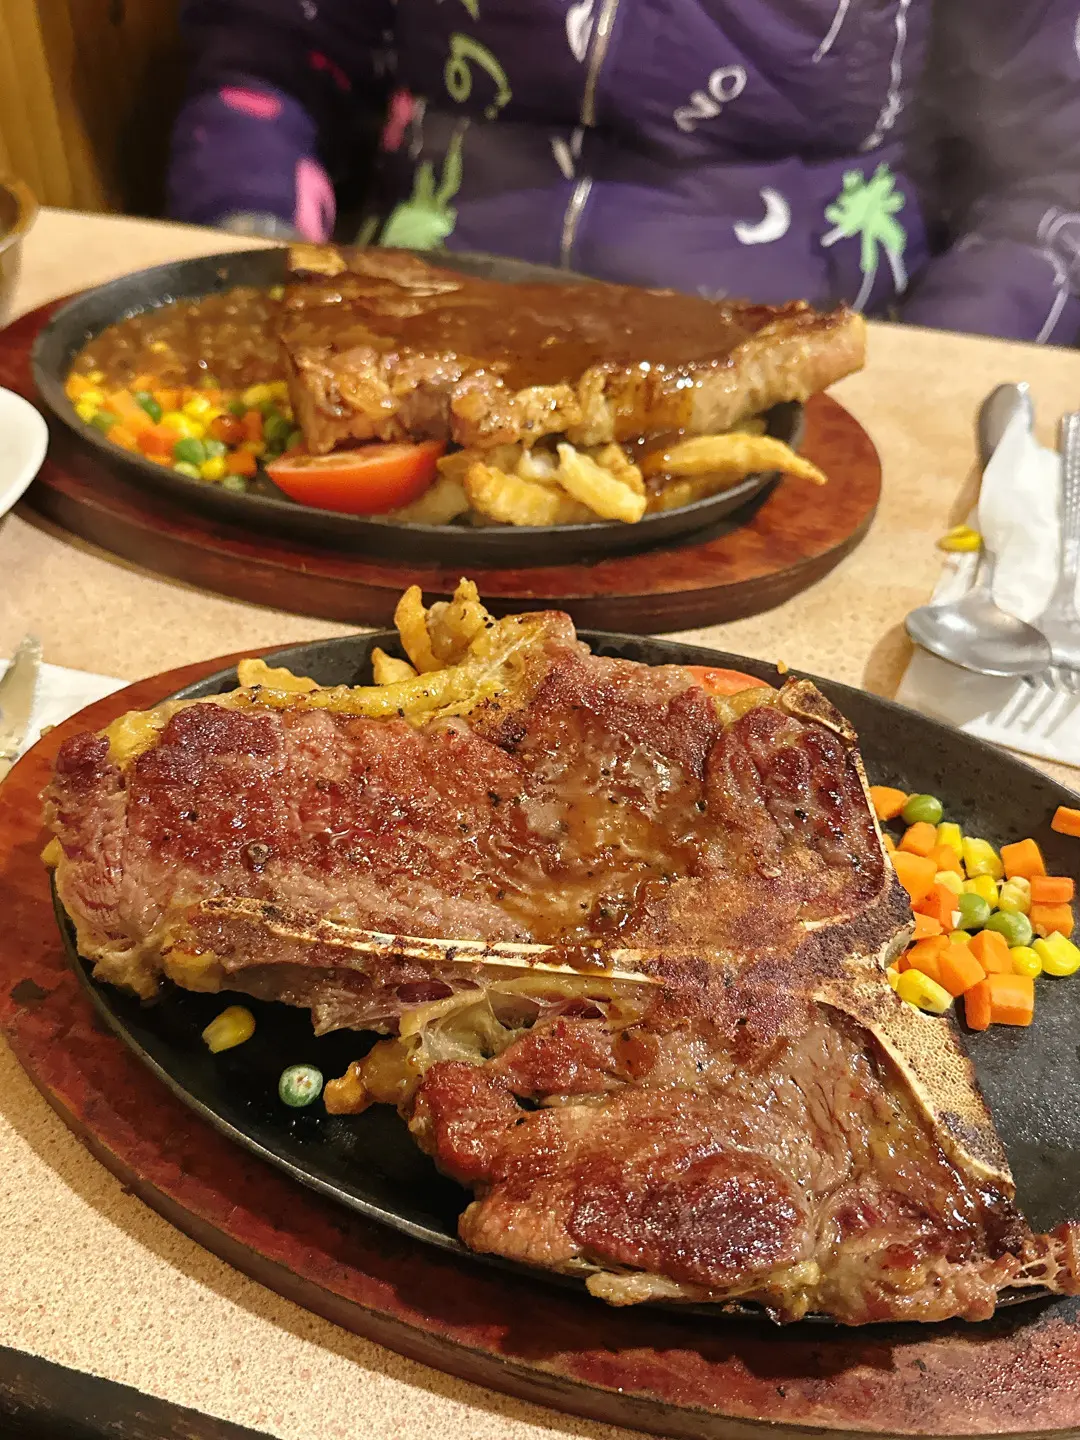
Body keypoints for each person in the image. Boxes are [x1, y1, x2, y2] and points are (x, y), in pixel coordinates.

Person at [168, 1, 1080, 346]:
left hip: (801, 362)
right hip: (412, 328)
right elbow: (275, 57)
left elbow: (1058, 179)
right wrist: (250, 258)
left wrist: (923, 382)